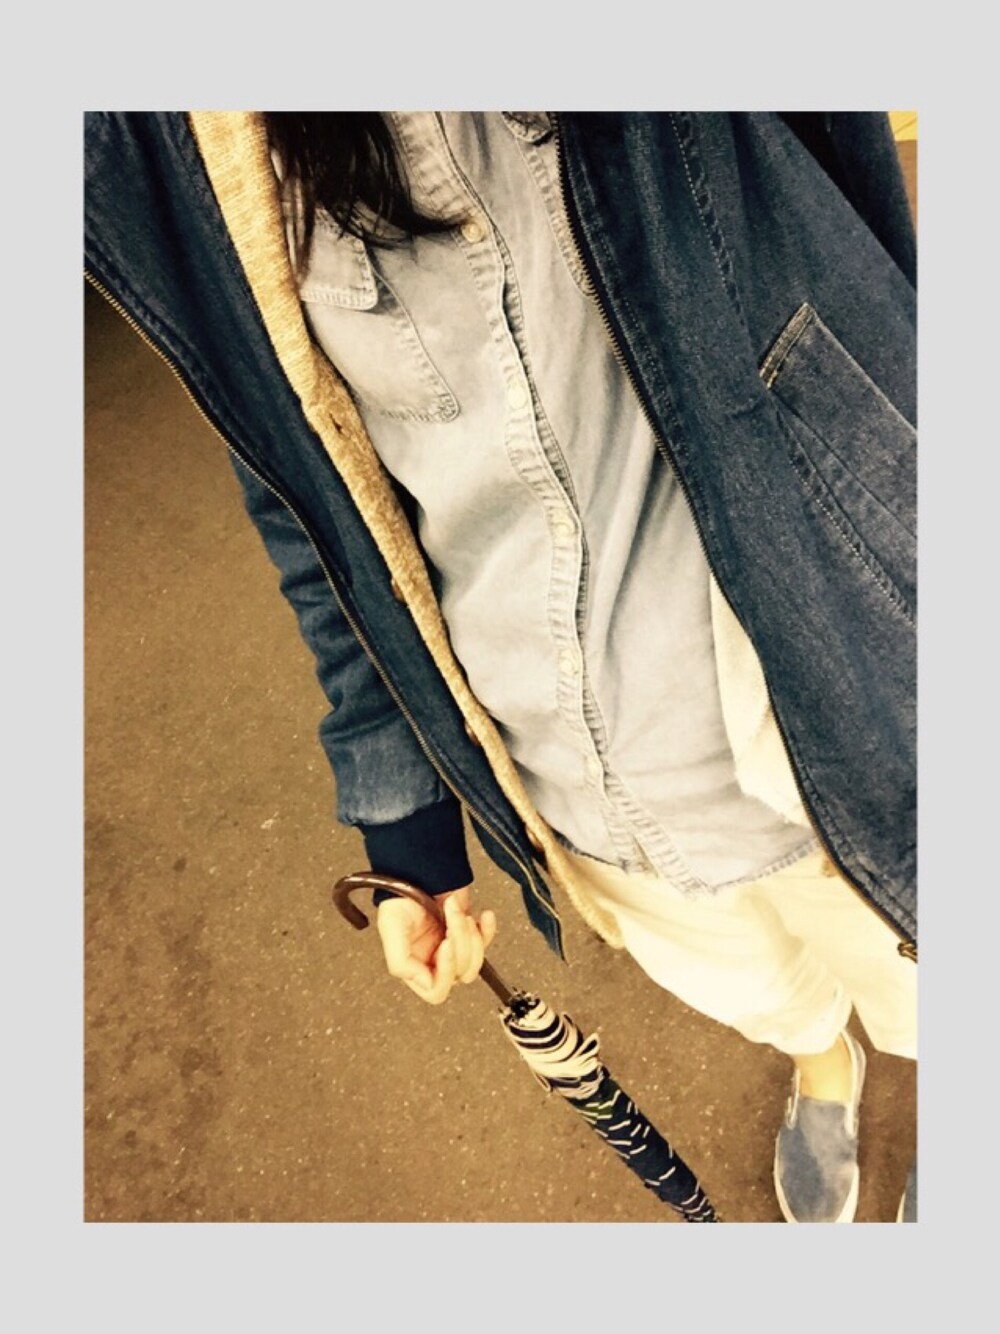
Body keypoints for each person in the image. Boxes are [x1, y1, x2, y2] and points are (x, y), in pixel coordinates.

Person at [83, 111, 917, 1223]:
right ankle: (819, 1058)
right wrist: (405, 824)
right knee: (752, 985)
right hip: (579, 791)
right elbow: (309, 498)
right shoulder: (162, 131)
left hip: (849, 708)